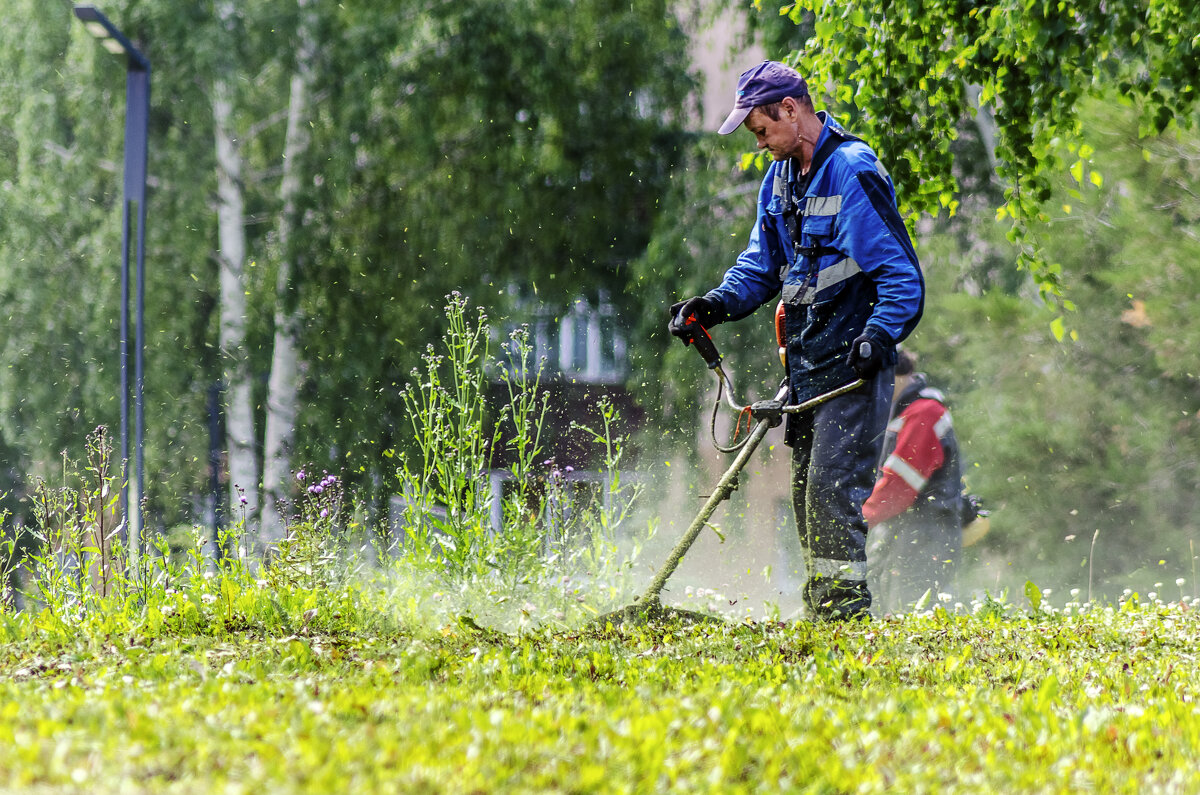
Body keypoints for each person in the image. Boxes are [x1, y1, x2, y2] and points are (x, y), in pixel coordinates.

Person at [669, 60, 924, 620]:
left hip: (854, 365)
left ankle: (845, 625)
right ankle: (822, 616)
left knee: (833, 490)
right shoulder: (779, 181)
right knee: (809, 497)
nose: (758, 143)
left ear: (790, 108)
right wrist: (712, 304)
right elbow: (760, 268)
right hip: (807, 367)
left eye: (760, 130)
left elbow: (902, 277)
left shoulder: (853, 170)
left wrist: (879, 336)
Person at [863, 348, 968, 614]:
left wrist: (855, 521)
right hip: (905, 536)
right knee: (887, 615)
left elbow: (898, 487)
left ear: (892, 375)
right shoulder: (905, 412)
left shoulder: (924, 413)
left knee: (910, 617)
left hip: (926, 538)